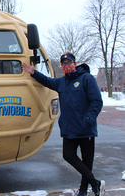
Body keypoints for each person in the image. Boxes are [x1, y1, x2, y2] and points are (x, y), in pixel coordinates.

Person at [21, 52, 105, 196]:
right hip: (69, 129)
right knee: (68, 155)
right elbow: (47, 81)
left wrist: (89, 120)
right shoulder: (61, 82)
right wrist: (33, 72)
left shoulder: (87, 79)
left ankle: (84, 190)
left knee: (87, 161)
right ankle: (95, 183)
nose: (66, 66)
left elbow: (97, 102)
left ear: (75, 63)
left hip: (86, 129)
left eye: (69, 63)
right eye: (64, 63)